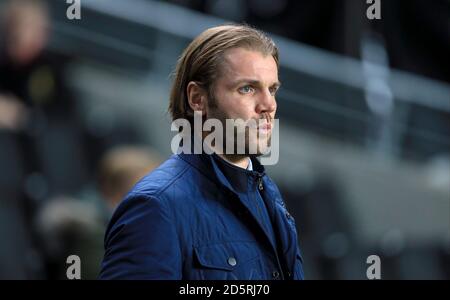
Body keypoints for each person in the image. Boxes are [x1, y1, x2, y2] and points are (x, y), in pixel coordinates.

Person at [99, 24, 304, 280]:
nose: (268, 105)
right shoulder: (155, 207)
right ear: (197, 99)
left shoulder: (269, 195)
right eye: (247, 88)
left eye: (272, 89)